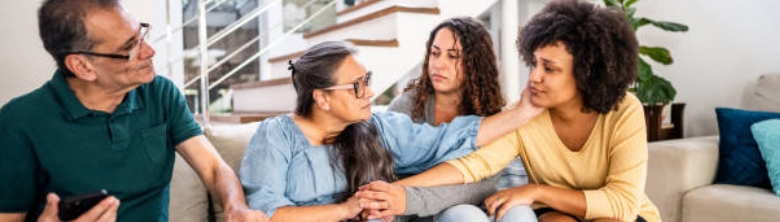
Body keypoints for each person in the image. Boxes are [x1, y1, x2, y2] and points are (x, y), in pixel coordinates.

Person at [366, 0, 661, 221]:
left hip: (621, 213)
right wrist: (396, 190)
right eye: (534, 64)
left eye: (550, 68)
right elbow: (472, 166)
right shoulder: (527, 113)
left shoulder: (624, 111)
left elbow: (622, 203)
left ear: (586, 74)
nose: (534, 77)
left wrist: (537, 191)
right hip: (557, 212)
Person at [0, 0, 267, 221]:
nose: (149, 50)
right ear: (82, 66)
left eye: (141, 34)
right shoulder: (19, 122)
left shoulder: (161, 94)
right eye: (129, 47)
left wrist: (235, 206)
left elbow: (213, 168)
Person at [238, 41, 542, 222]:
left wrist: (522, 112)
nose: (370, 93)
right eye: (358, 85)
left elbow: (447, 140)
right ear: (322, 98)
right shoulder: (276, 136)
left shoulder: (377, 126)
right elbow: (268, 214)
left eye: (368, 80)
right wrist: (345, 209)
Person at [380, 17, 532, 221]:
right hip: (418, 211)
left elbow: (477, 188)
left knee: (519, 212)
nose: (438, 64)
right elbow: (386, 181)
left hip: (472, 202)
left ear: (475, 65)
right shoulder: (405, 108)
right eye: (434, 53)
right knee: (465, 216)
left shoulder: (493, 118)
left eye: (453, 56)